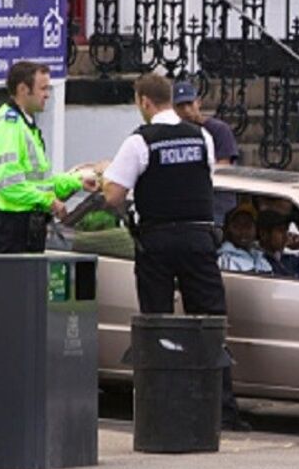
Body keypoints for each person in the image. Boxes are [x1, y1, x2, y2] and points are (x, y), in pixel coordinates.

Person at [100, 72, 249, 432]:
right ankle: (221, 413)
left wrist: (105, 178)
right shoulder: (201, 137)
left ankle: (161, 413)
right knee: (211, 324)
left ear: (144, 102)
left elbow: (113, 196)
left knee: (158, 324)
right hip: (199, 240)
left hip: (158, 241)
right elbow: (203, 180)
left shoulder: (140, 141)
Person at [0, 61, 97, 253]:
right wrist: (49, 201)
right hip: (13, 226)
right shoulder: (8, 127)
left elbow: (41, 182)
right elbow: (10, 185)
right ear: (23, 89)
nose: (47, 94)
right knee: (21, 283)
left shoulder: (25, 125)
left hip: (25, 225)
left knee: (31, 283)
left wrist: (77, 182)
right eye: (43, 88)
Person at [172, 82, 239, 165]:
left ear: (199, 102)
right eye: (180, 106)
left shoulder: (219, 129)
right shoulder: (173, 132)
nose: (186, 110)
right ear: (174, 108)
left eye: (190, 104)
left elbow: (224, 164)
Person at [257, 211, 299, 279]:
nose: (285, 236)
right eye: (280, 231)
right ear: (264, 234)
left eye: (286, 231)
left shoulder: (292, 259)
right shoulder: (257, 260)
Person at [217, 204, 273, 273]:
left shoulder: (260, 258)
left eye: (248, 226)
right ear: (228, 229)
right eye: (237, 226)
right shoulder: (225, 260)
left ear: (256, 229)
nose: (243, 231)